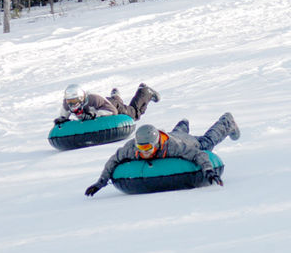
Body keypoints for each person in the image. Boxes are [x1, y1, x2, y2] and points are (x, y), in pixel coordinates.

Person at [84, 112, 241, 196]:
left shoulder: (173, 147)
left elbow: (198, 155)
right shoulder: (131, 148)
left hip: (187, 142)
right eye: (141, 148)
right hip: (171, 135)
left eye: (148, 148)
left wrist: (208, 171)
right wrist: (101, 182)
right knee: (176, 132)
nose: (144, 152)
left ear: (156, 144)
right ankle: (183, 124)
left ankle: (227, 121)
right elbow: (114, 160)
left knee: (207, 142)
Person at [53, 83, 160, 124]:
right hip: (105, 102)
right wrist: (62, 118)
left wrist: (94, 115)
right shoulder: (68, 103)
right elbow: (64, 114)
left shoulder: (92, 100)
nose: (72, 104)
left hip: (111, 106)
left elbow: (112, 111)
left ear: (81, 98)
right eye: (69, 101)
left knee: (134, 114)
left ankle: (144, 91)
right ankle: (115, 96)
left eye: (74, 101)